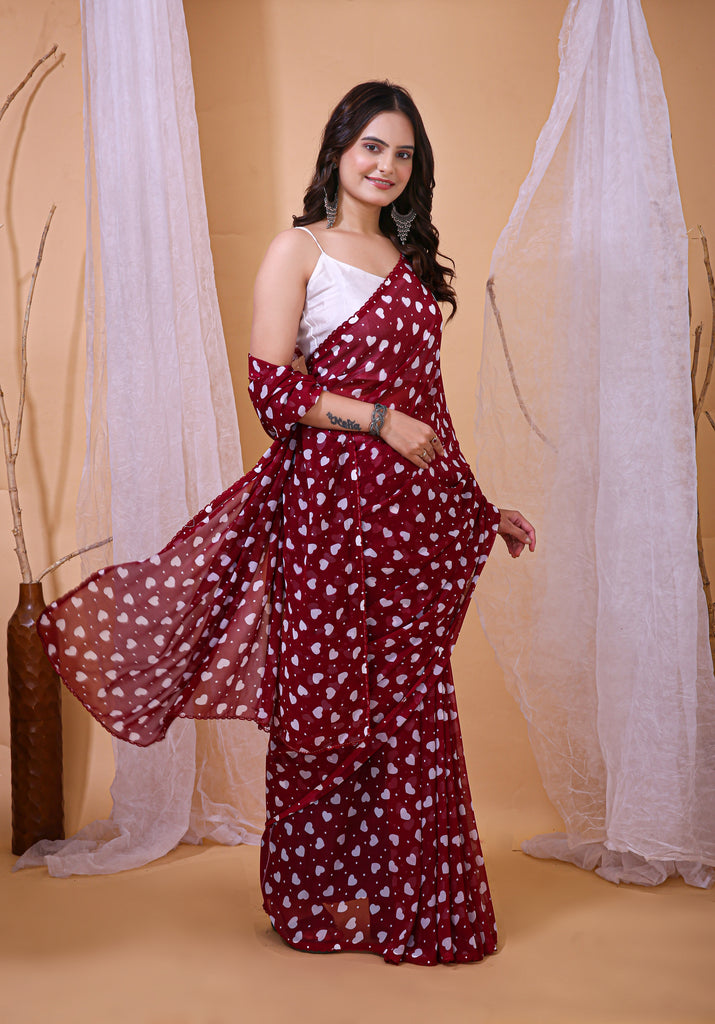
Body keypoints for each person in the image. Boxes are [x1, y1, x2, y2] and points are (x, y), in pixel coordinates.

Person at [38, 80, 535, 966]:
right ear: (339, 149)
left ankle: (406, 901)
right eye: (372, 146)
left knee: (410, 706)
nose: (386, 166)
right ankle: (317, 900)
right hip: (325, 517)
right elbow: (271, 388)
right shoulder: (297, 250)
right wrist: (376, 420)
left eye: (403, 154)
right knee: (324, 708)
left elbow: (431, 415)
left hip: (408, 526)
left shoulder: (408, 262)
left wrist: (478, 505)